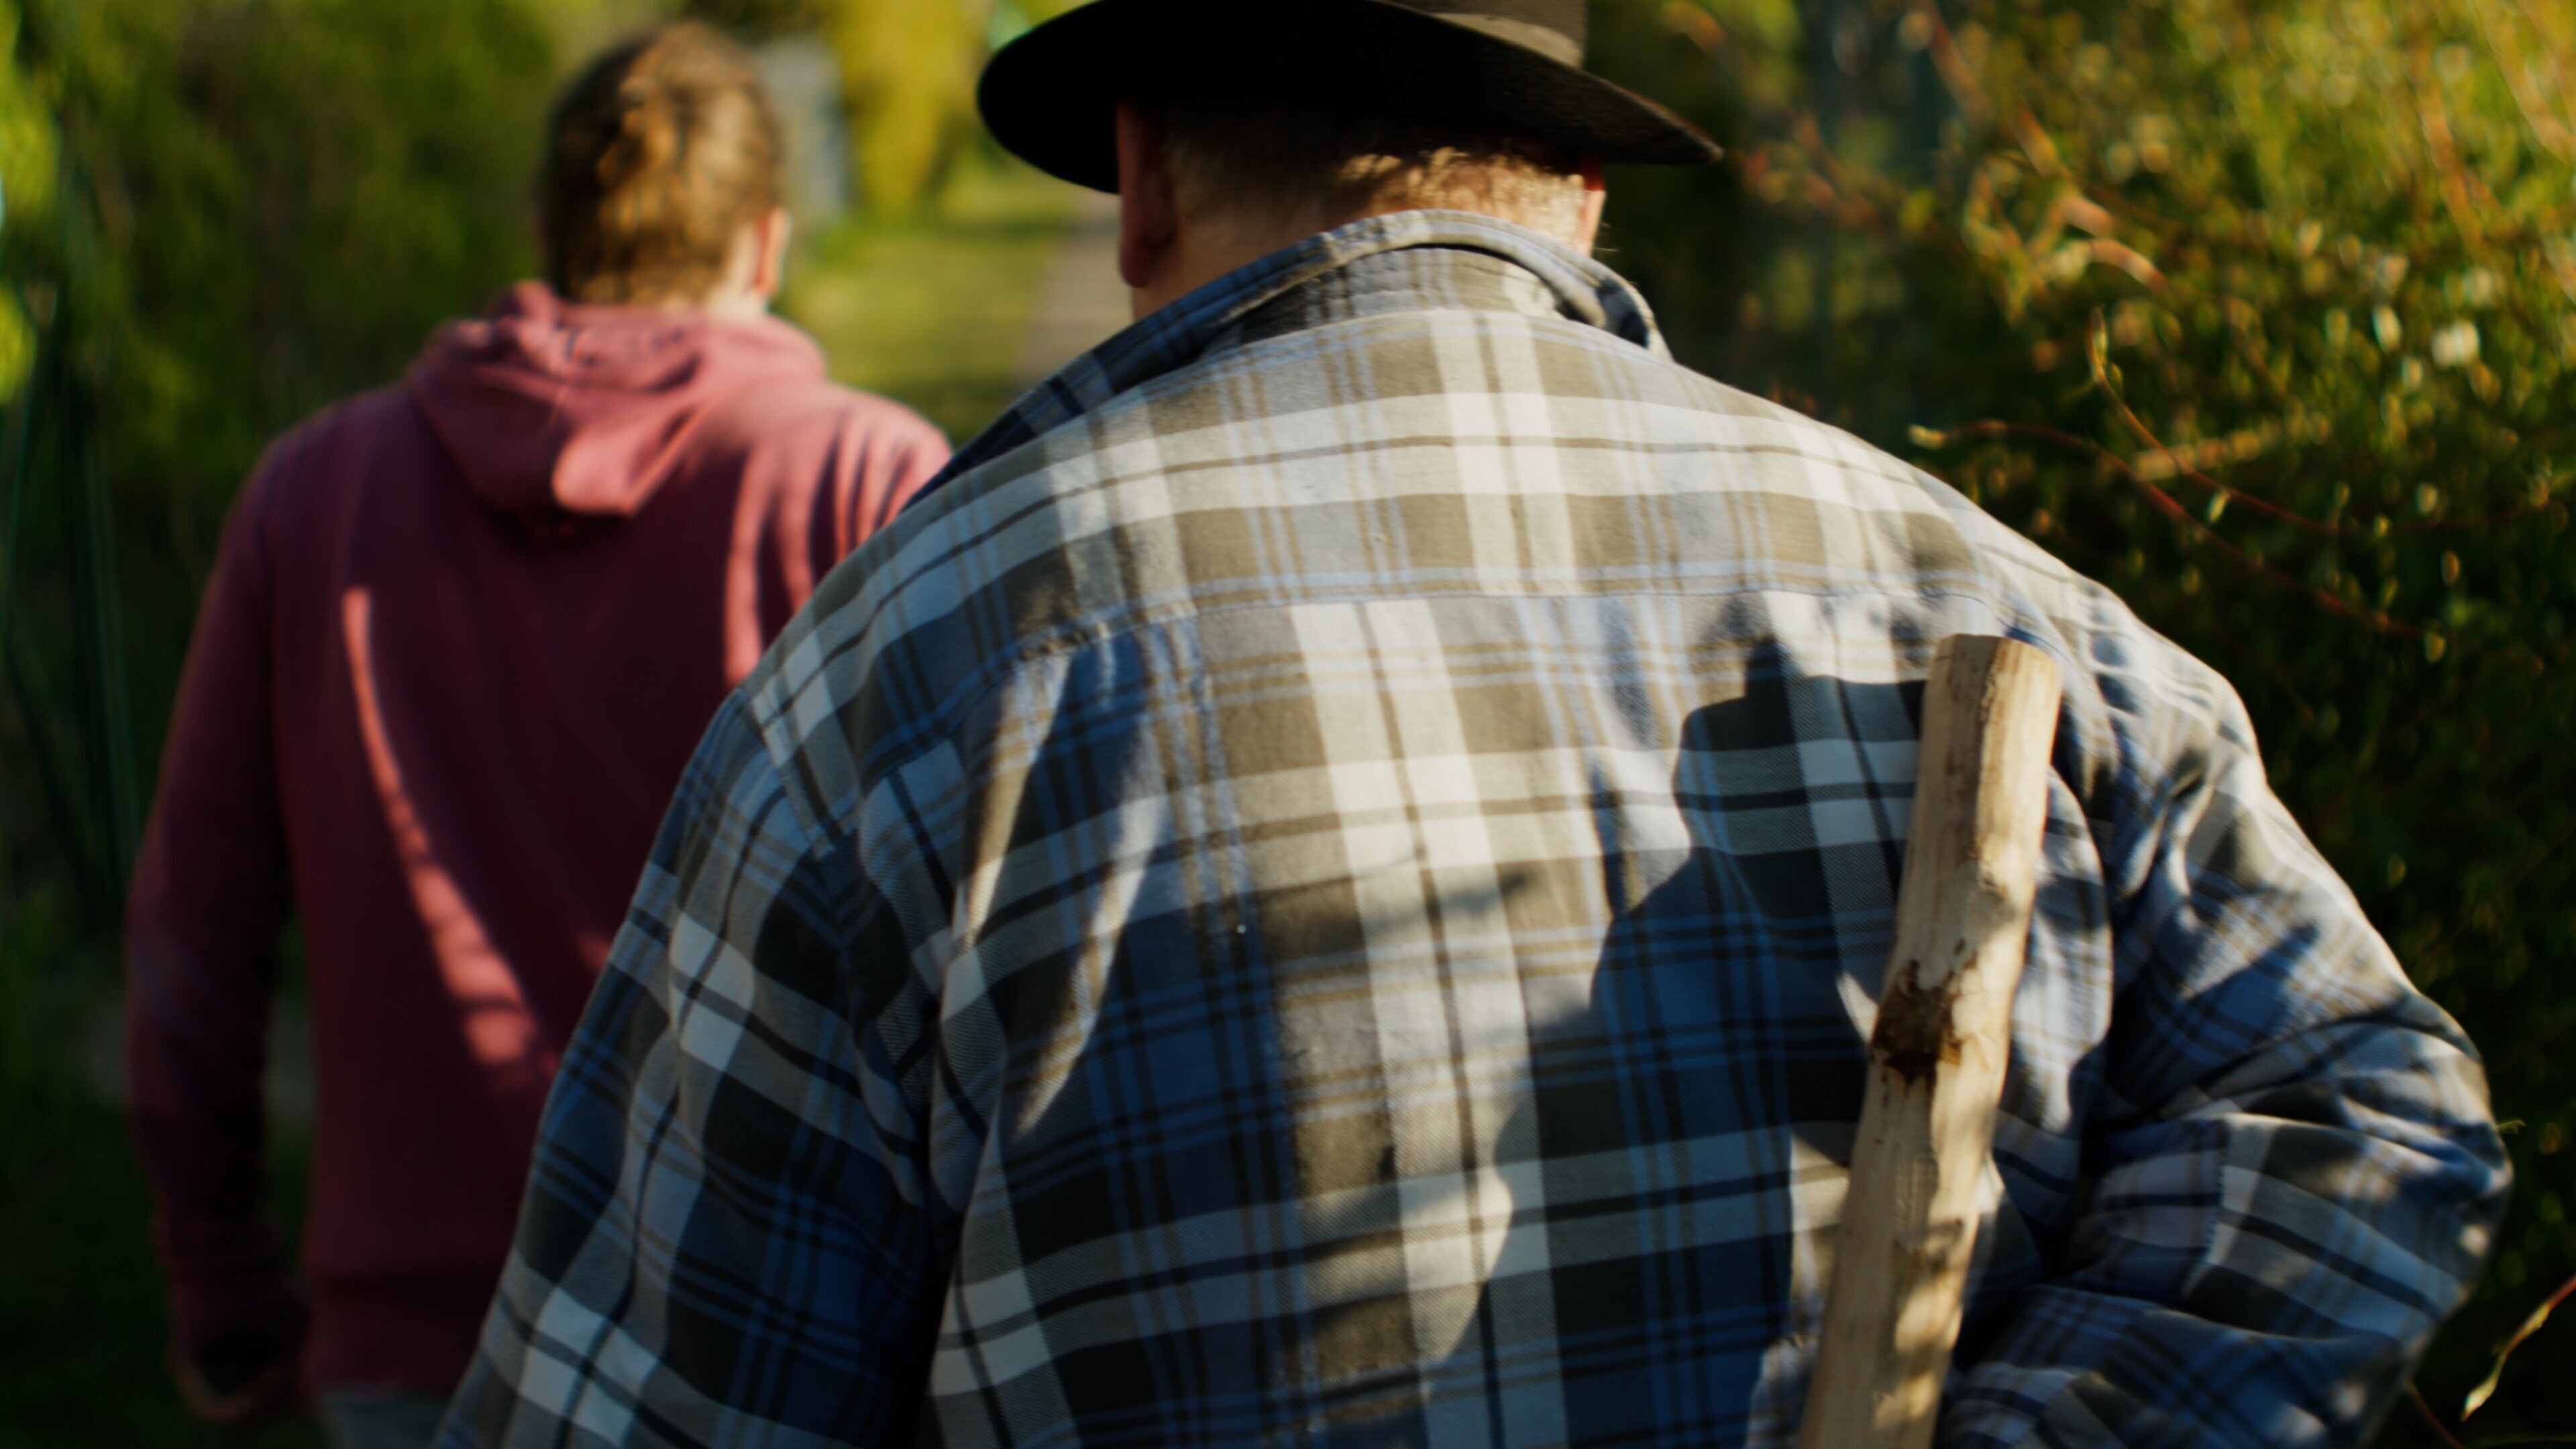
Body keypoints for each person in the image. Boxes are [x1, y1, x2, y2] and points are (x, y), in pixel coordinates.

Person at [439, 3, 2510, 1446]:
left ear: (1139, 182)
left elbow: (638, 1410)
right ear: (1579, 192)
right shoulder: (1979, 599)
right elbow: (2371, 1114)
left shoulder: (903, 678)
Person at [121, 23, 949, 1449]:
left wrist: (217, 1273)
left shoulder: (311, 489)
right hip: (756, 1329)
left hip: (409, 1338)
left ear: (547, 229)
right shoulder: (864, 480)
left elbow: (194, 929)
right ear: (767, 238)